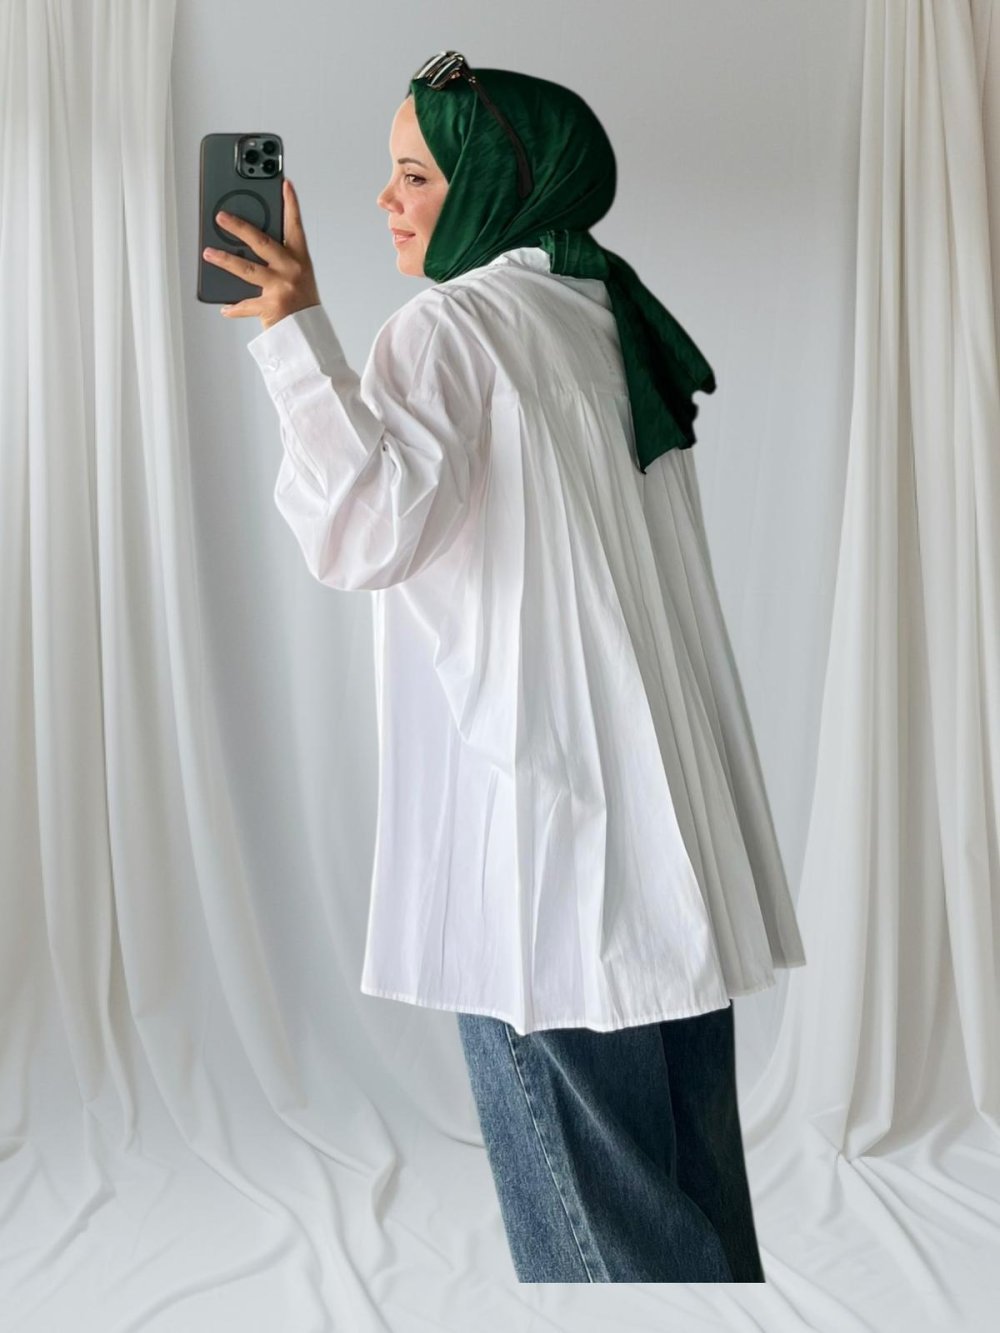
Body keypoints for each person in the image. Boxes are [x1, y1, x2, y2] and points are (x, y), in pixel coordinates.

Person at [204, 52, 806, 1283]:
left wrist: (290, 332)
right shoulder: (599, 315)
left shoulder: (456, 325)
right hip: (668, 837)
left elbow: (365, 531)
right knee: (692, 1205)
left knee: (604, 1248)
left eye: (416, 174)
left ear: (496, 180)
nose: (385, 201)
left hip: (542, 846)